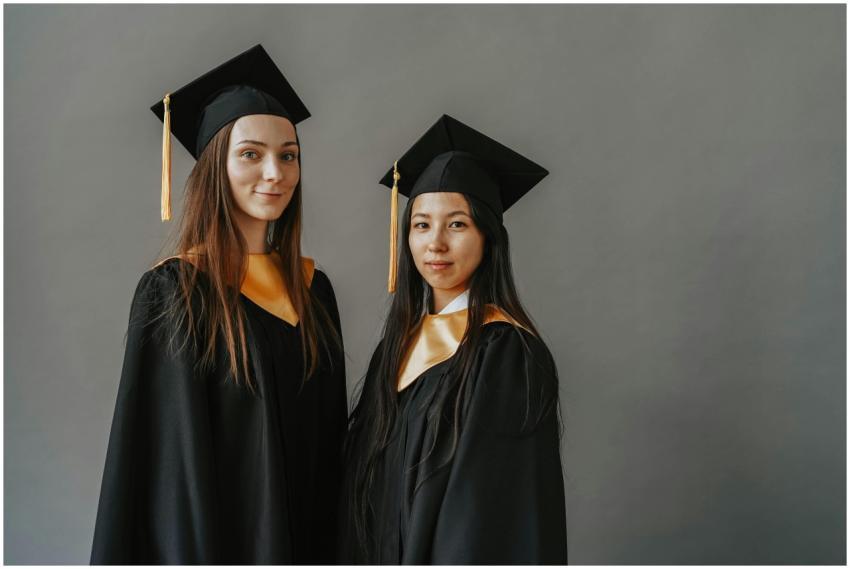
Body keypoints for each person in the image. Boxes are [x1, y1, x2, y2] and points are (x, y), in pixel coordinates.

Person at [90, 45, 347, 564]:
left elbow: (331, 449)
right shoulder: (178, 291)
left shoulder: (313, 290)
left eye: (289, 154)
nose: (275, 173)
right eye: (251, 154)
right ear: (216, 165)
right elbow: (168, 474)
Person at [340, 114, 567, 564]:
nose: (435, 244)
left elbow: (486, 519)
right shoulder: (399, 349)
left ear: (488, 236)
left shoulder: (505, 354)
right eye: (421, 225)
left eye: (457, 224)